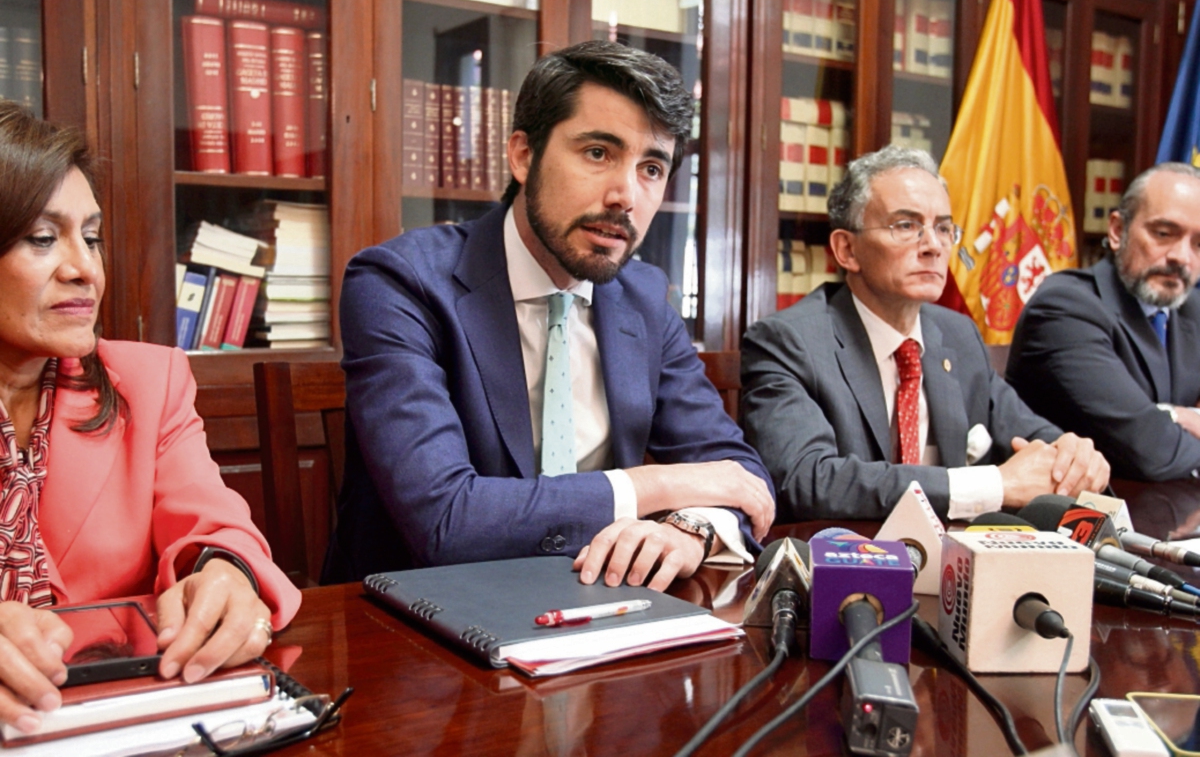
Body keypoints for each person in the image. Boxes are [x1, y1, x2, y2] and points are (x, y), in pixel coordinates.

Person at [323, 40, 774, 591]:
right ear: (523, 155)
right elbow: (446, 520)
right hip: (418, 616)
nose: (625, 196)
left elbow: (740, 476)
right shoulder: (400, 282)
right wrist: (655, 487)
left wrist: (690, 528)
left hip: (601, 602)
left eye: (651, 168)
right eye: (598, 153)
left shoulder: (643, 297)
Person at [0, 101, 300, 734]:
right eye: (43, 238)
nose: (85, 268)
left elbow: (216, 523)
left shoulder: (148, 380)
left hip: (129, 717)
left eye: (91, 237)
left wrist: (225, 572)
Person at [740, 145, 1109, 521]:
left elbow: (1030, 435)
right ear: (847, 250)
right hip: (844, 553)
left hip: (953, 554)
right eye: (906, 226)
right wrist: (993, 485)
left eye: (944, 228)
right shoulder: (789, 342)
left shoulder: (956, 334)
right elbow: (807, 481)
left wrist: (1073, 456)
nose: (933, 246)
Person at [1007, 163, 1200, 482]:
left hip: (1168, 506)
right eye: (1164, 234)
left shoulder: (1192, 308)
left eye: (1199, 244)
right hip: (1071, 508)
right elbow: (1149, 449)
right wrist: (1176, 417)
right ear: (1117, 231)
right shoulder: (1065, 307)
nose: (1182, 257)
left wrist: (1167, 416)